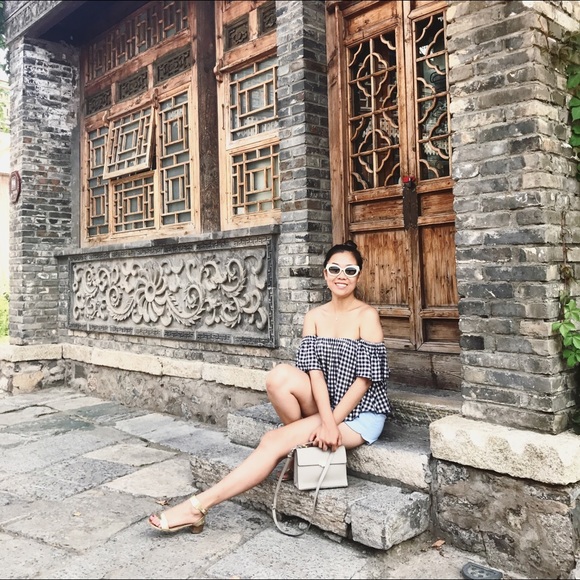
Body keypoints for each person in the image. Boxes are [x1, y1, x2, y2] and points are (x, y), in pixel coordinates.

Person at [148, 240, 391, 534]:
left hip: (360, 412)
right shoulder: (314, 317)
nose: (342, 276)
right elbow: (314, 374)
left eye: (350, 270)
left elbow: (365, 380)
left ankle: (196, 507)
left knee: (272, 441)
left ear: (358, 275)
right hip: (327, 402)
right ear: (325, 274)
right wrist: (326, 420)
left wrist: (330, 424)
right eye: (334, 269)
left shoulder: (367, 316)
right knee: (278, 377)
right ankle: (298, 446)